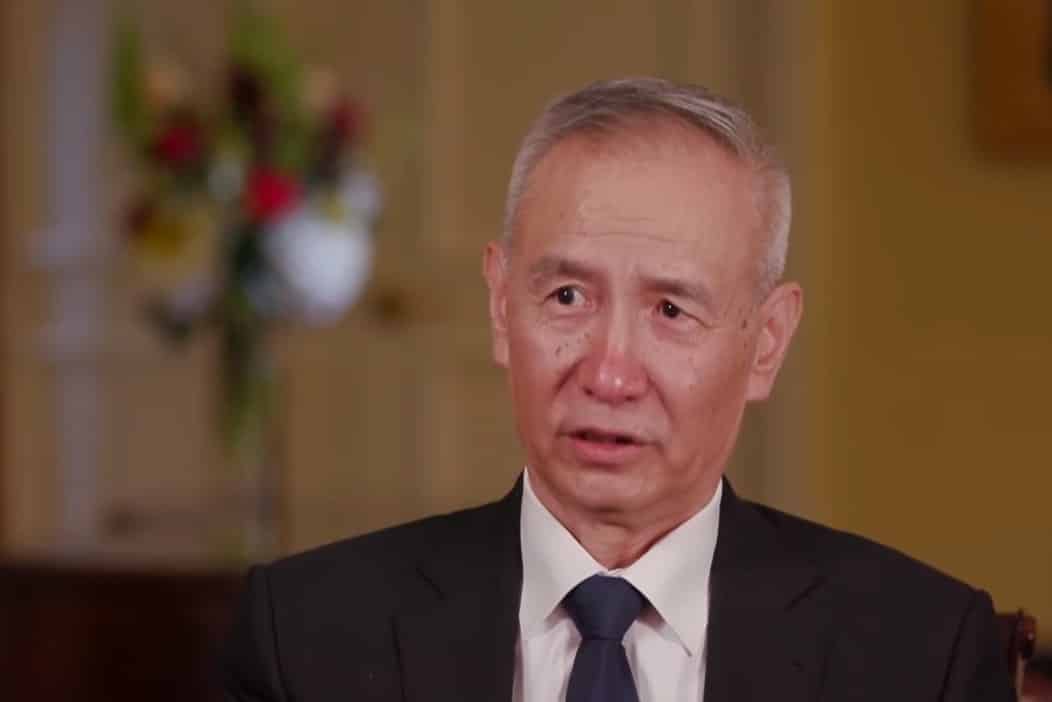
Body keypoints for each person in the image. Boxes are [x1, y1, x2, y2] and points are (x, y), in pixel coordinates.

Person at [220, 77, 1014, 701]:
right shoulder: (307, 637)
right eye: (567, 297)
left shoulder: (922, 655)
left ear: (767, 342)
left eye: (672, 311)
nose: (608, 374)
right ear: (501, 307)